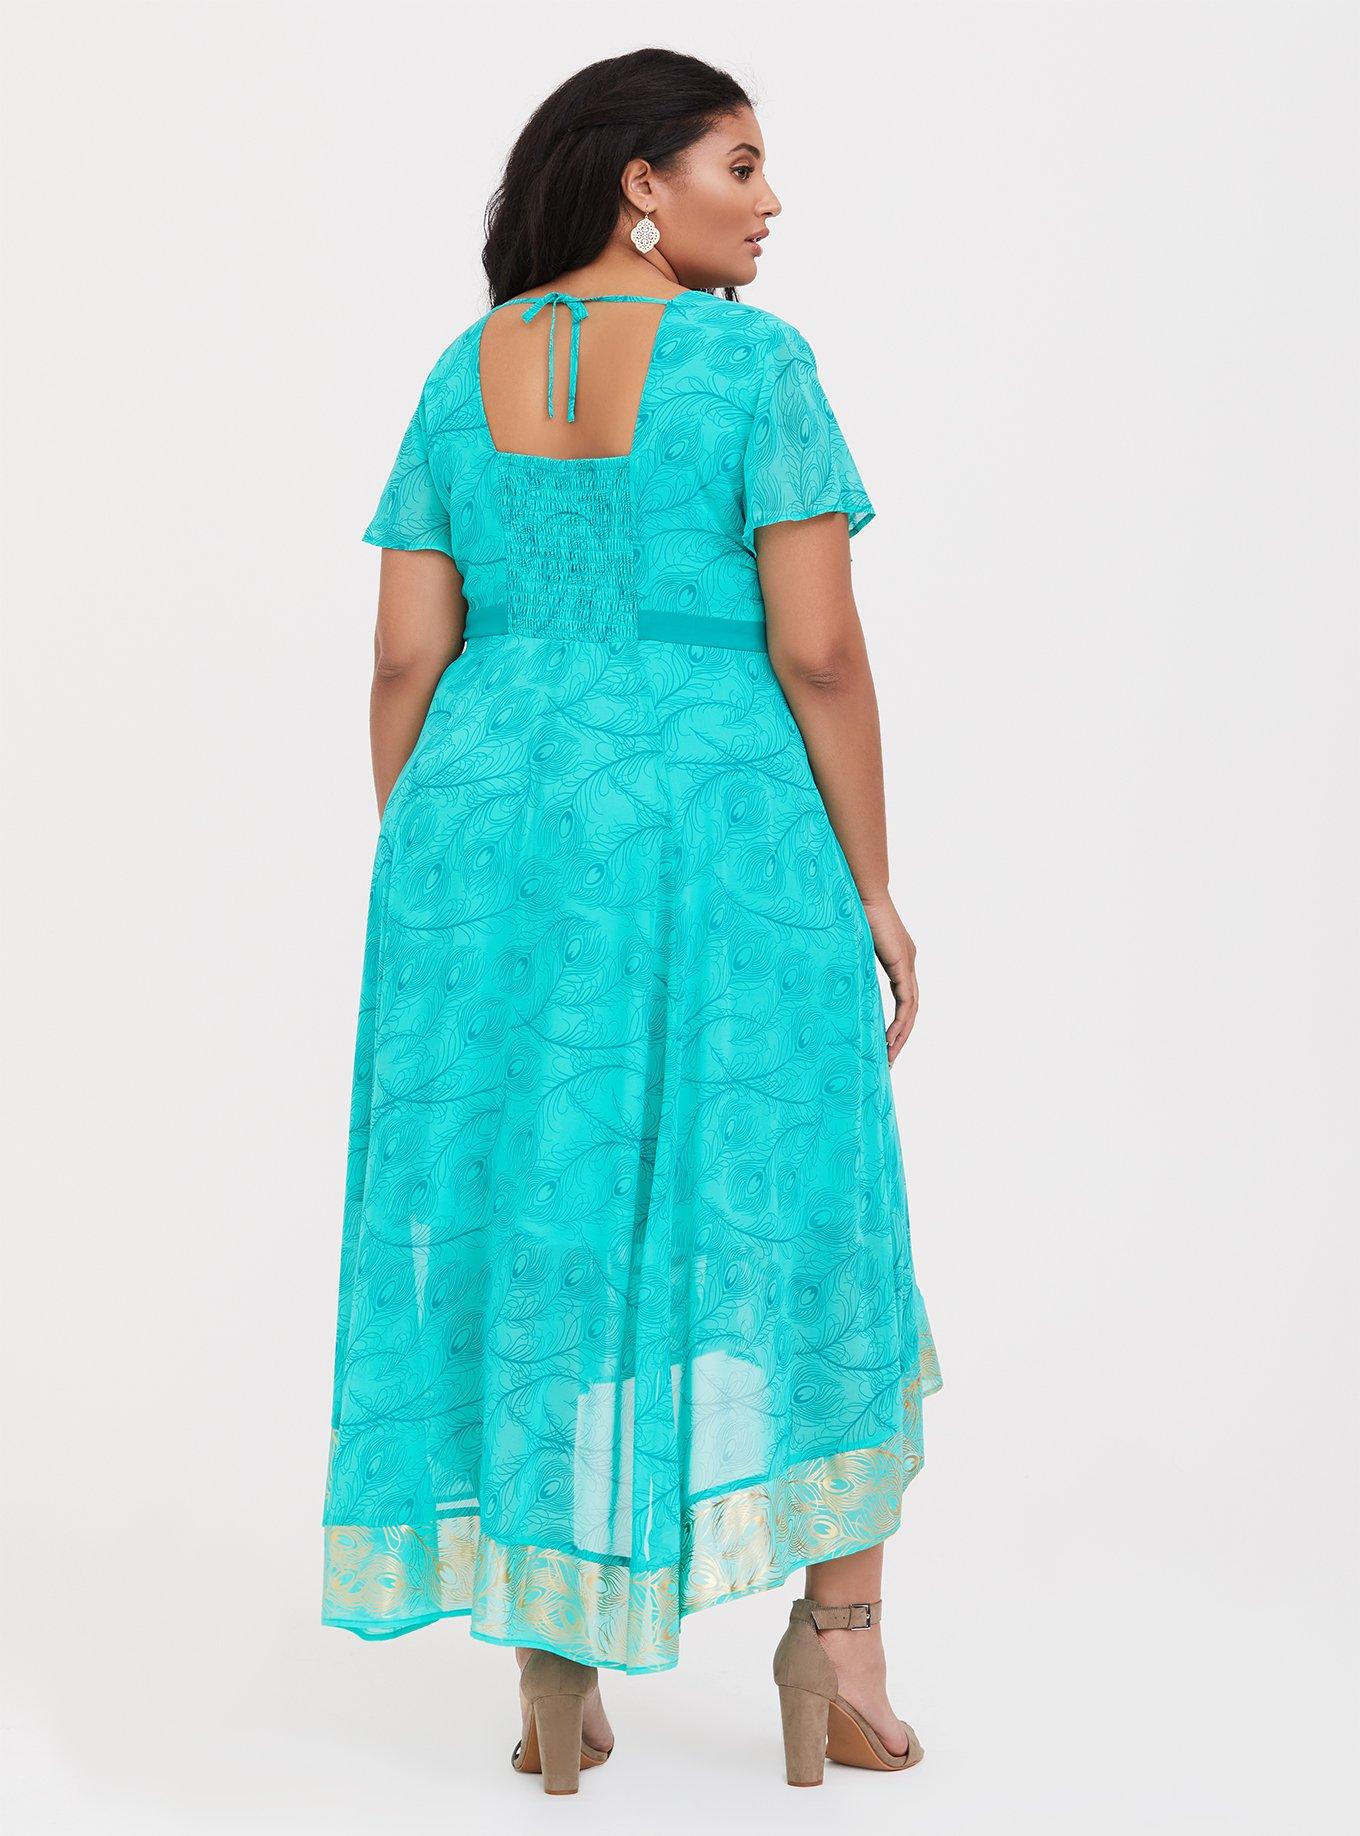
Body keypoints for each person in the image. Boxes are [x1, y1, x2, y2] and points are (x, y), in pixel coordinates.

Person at [321, 46, 943, 1794]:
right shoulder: (754, 365)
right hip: (713, 816)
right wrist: (874, 884)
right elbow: (818, 650)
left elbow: (404, 657)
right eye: (740, 165)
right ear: (640, 186)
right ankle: (841, 1652)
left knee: (542, 1198)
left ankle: (553, 1661)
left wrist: (446, 865)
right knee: (804, 1190)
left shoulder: (461, 371)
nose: (770, 201)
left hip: (481, 823)